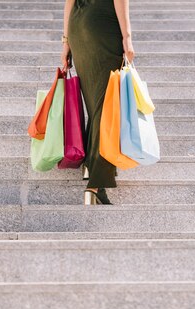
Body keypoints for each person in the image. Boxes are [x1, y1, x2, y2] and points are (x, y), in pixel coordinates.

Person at [61, 0, 136, 205]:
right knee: (107, 107)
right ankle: (95, 185)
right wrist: (127, 38)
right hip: (102, 27)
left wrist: (66, 43)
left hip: (78, 30)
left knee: (97, 105)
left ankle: (91, 164)